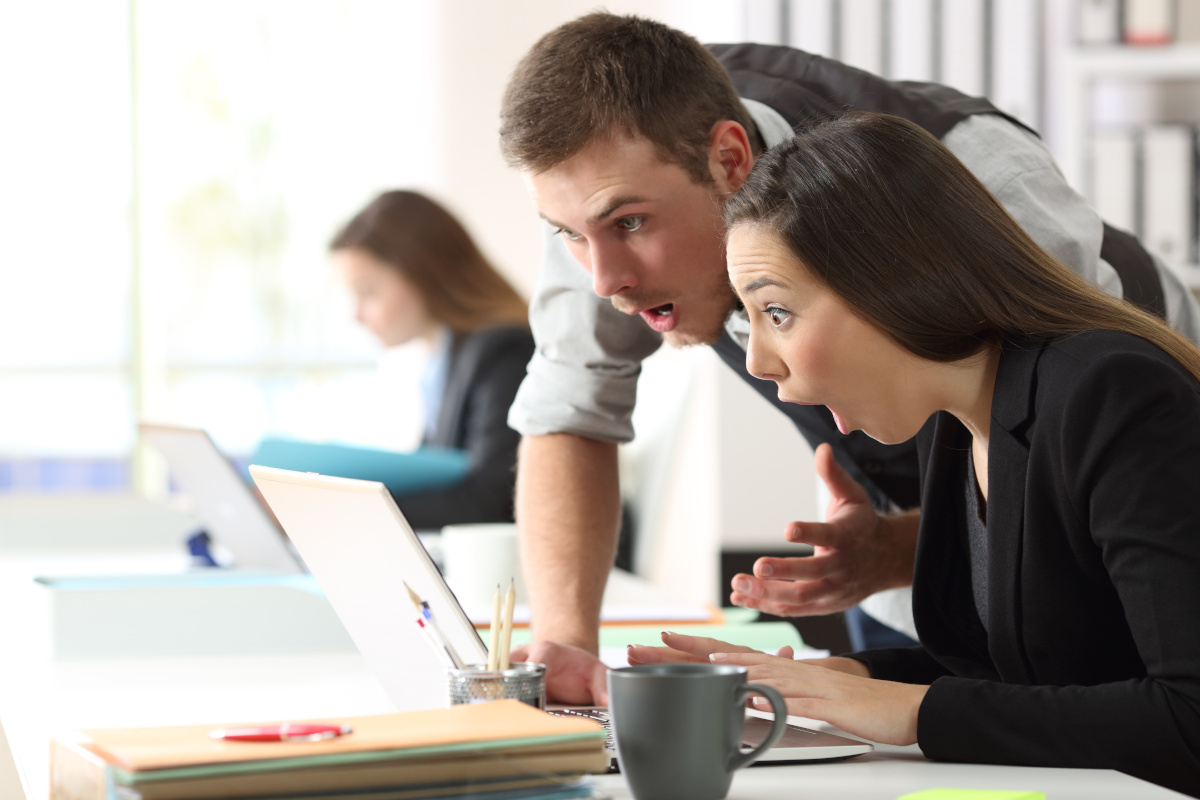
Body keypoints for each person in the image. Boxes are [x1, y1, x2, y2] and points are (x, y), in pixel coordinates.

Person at [499, 12, 1200, 704]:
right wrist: (566, 641)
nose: (601, 280)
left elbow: (1071, 474)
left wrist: (910, 687)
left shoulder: (973, 183)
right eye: (567, 235)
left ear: (731, 161)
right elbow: (571, 407)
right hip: (934, 539)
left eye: (629, 224)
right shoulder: (602, 179)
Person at [625, 110, 1200, 797]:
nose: (756, 361)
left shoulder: (1110, 392)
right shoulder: (962, 421)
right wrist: (852, 679)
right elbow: (1027, 675)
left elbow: (1188, 719)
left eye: (775, 313)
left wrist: (914, 712)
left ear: (893, 280)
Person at [329, 190, 533, 528]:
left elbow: (487, 500)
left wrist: (343, 511)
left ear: (423, 274)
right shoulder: (447, 359)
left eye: (367, 291)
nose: (356, 315)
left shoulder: (506, 352)